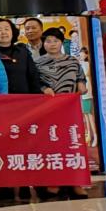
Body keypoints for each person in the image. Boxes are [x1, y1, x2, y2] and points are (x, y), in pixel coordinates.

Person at [35, 27, 89, 199]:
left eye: (56, 41)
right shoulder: (38, 63)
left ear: (61, 42)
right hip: (48, 111)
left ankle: (76, 182)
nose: (52, 44)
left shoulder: (73, 61)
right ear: (43, 43)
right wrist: (43, 88)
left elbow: (81, 79)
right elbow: (35, 82)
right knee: (51, 145)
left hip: (70, 110)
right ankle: (54, 181)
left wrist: (82, 85)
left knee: (73, 145)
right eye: (48, 41)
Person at [0, 19, 48, 95]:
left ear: (12, 32)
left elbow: (33, 77)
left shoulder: (23, 52)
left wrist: (42, 91)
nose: (3, 32)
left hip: (23, 99)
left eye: (7, 29)